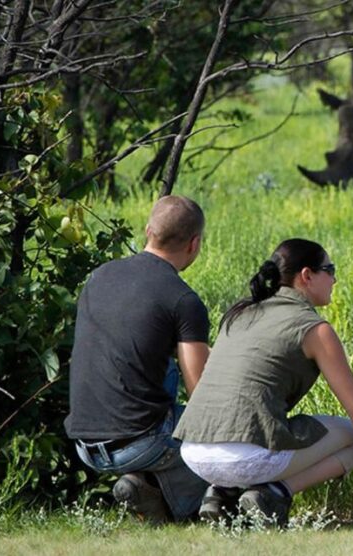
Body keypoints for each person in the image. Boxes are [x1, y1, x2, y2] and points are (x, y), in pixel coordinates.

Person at [174, 238, 353, 525]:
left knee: (261, 427)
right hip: (243, 458)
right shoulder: (315, 329)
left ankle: (221, 493)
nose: (335, 279)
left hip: (193, 452)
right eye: (330, 269)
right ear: (307, 275)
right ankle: (274, 494)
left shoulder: (239, 313)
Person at [65, 195, 211, 523]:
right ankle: (191, 505)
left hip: (85, 444)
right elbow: (201, 395)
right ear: (194, 244)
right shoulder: (183, 299)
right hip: (140, 442)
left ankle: (145, 489)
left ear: (148, 231)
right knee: (221, 434)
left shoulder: (99, 277)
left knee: (165, 369)